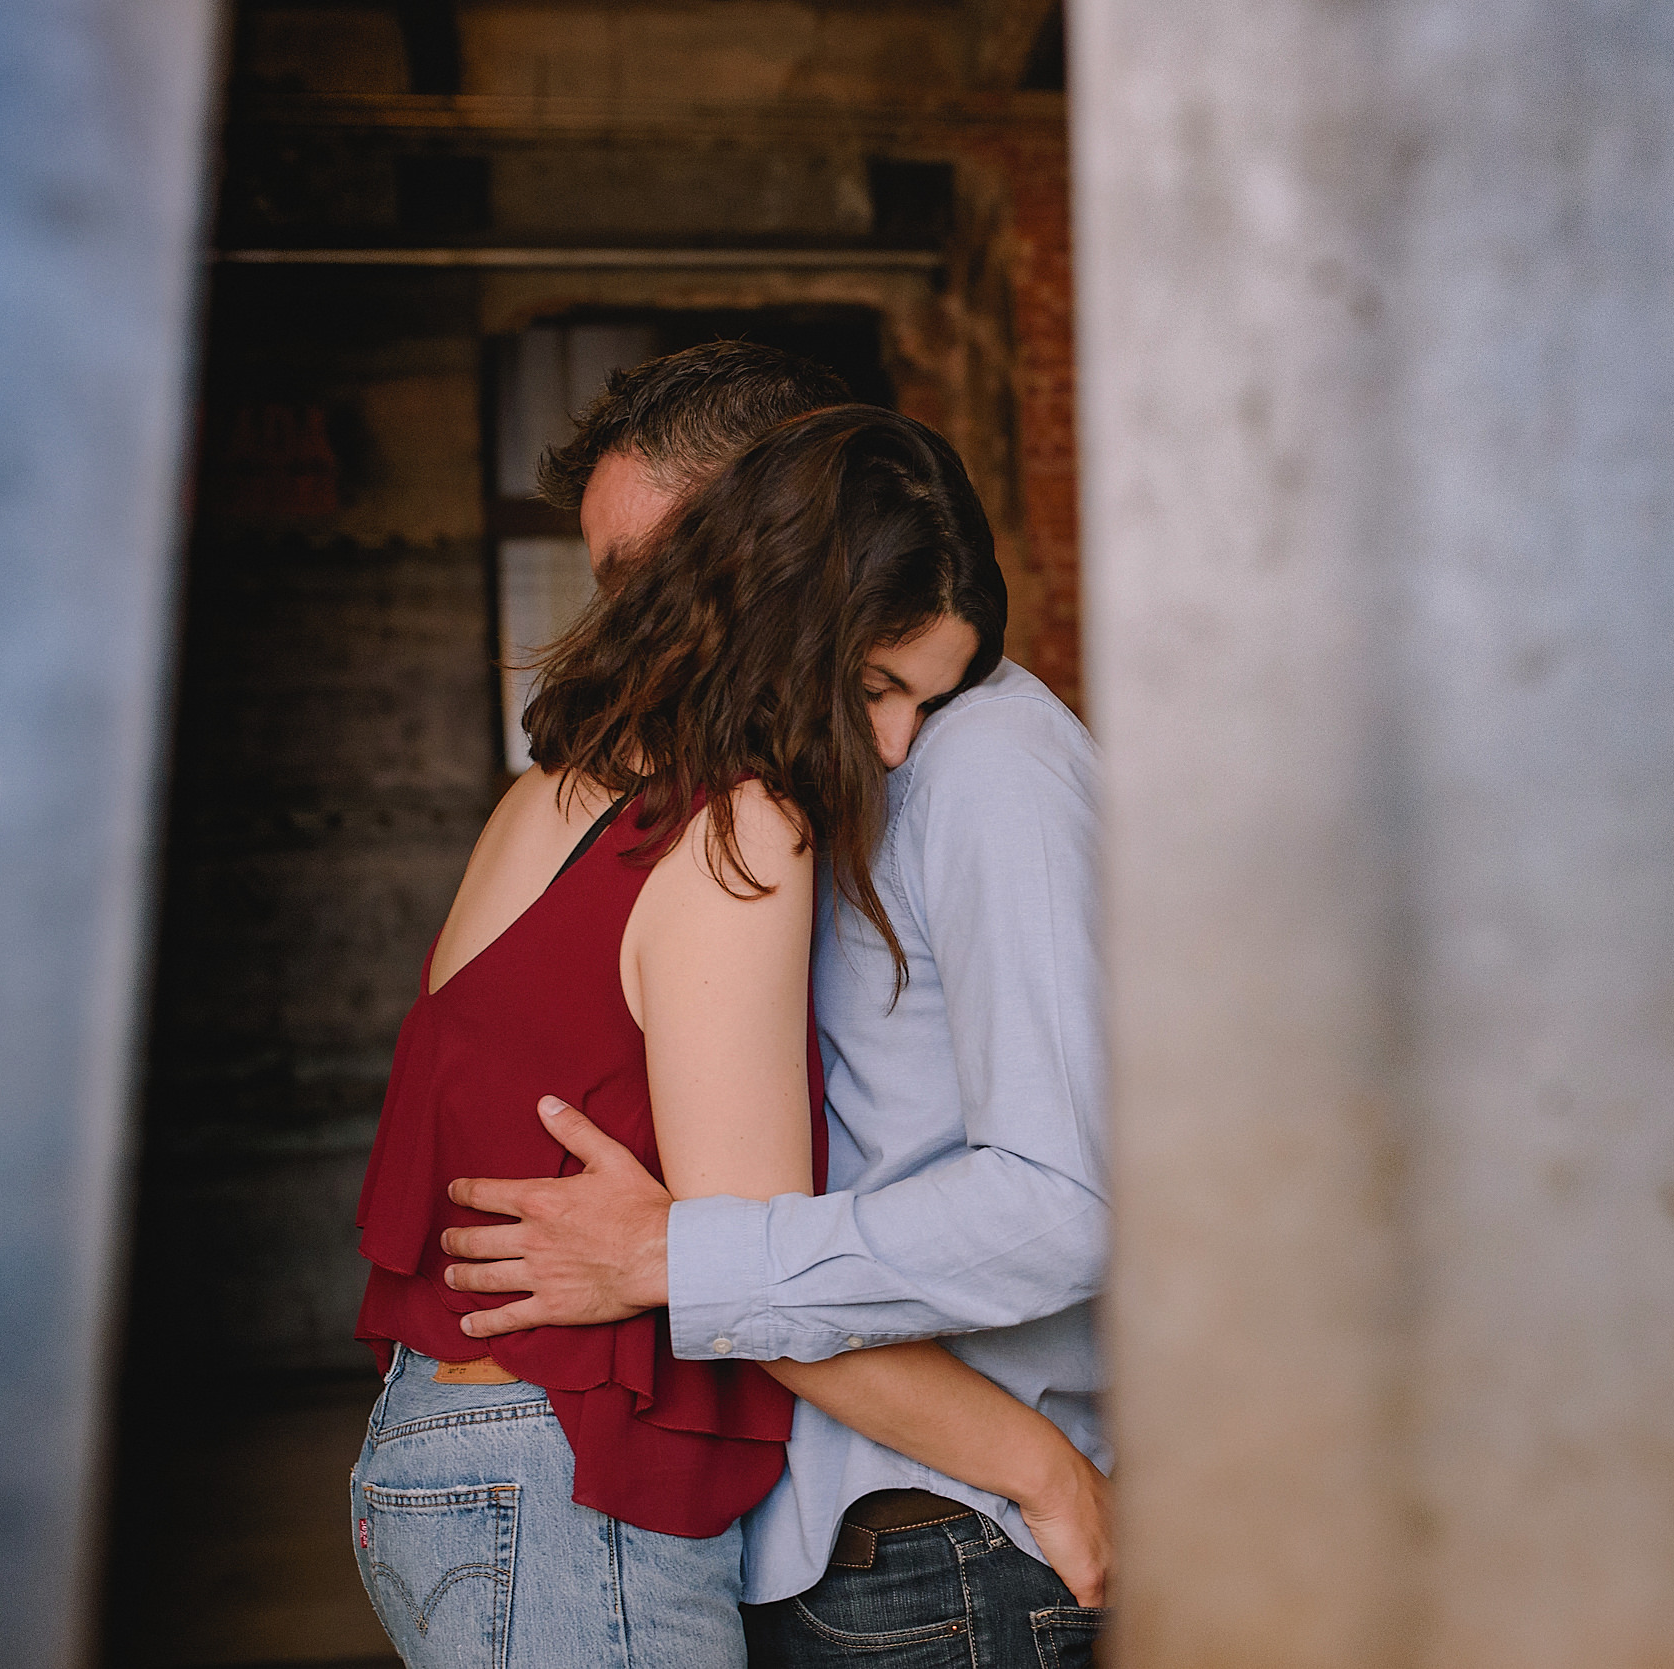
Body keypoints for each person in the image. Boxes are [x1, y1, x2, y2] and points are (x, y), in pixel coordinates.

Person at [348, 402, 1109, 1669]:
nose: (894, 740)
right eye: (875, 686)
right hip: (565, 1478)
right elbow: (735, 1261)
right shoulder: (734, 828)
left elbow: (740, 1254)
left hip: (468, 1457)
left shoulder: (559, 793)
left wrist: (679, 1256)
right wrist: (1047, 1469)